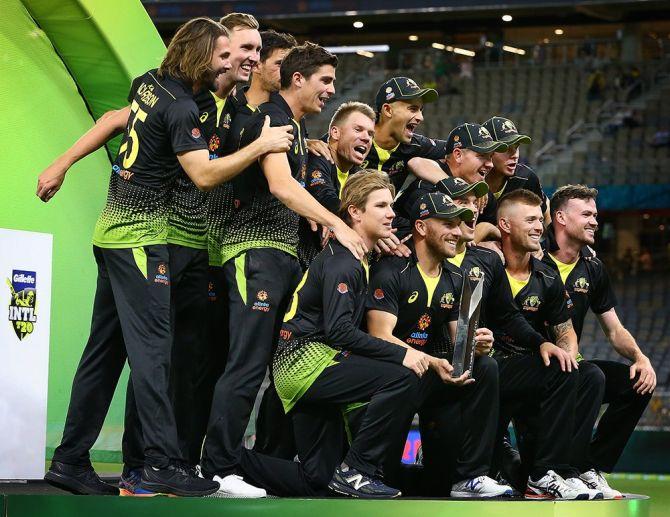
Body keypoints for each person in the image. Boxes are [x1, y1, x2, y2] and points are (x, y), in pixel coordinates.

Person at [40, 17, 293, 497]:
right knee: (155, 353)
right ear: (205, 54)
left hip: (133, 234)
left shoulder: (152, 85)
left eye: (252, 51)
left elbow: (121, 119)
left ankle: (72, 459)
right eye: (231, 52)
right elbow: (202, 174)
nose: (242, 60)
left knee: (107, 352)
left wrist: (62, 164)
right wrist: (262, 144)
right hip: (146, 238)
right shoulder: (186, 104)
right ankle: (157, 463)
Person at [200, 42, 368, 498]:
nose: (331, 90)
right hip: (255, 252)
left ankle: (266, 461)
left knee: (276, 364)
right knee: (247, 364)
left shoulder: (292, 126)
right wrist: (337, 223)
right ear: (299, 79)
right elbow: (279, 184)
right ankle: (217, 468)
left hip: (279, 256)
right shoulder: (273, 117)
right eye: (326, 80)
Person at [238, 170, 431, 498]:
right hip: (306, 364)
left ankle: (227, 462)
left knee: (317, 480)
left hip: (304, 366)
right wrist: (404, 353)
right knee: (404, 377)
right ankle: (358, 470)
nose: (391, 214)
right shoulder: (345, 262)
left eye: (392, 205)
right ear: (355, 212)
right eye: (381, 206)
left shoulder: (356, 256)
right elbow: (340, 331)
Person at [366, 192, 513, 498]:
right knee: (388, 477)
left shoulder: (457, 277)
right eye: (448, 223)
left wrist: (476, 342)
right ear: (421, 227)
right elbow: (379, 335)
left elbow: (459, 337)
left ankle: (471, 477)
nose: (459, 232)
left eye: (460, 224)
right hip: (389, 377)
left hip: (429, 376)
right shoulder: (391, 270)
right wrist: (432, 361)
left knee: (485, 366)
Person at [542, 184, 656, 498]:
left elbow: (614, 329)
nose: (595, 221)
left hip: (572, 366)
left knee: (636, 382)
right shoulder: (533, 257)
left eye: (596, 214)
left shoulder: (593, 268)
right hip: (533, 364)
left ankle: (590, 467)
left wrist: (640, 357)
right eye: (587, 214)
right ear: (561, 217)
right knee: (589, 376)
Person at [494, 190, 600, 500]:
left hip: (527, 366)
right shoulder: (486, 263)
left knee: (587, 373)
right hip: (487, 366)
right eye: (530, 220)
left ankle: (562, 470)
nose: (539, 227)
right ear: (504, 224)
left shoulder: (547, 277)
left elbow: (565, 333)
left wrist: (566, 354)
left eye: (540, 220)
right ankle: (542, 472)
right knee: (561, 370)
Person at [481, 116, 550, 224]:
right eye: (506, 149)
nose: (515, 155)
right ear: (487, 150)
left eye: (516, 147)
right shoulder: (468, 180)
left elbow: (546, 211)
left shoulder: (525, 178)